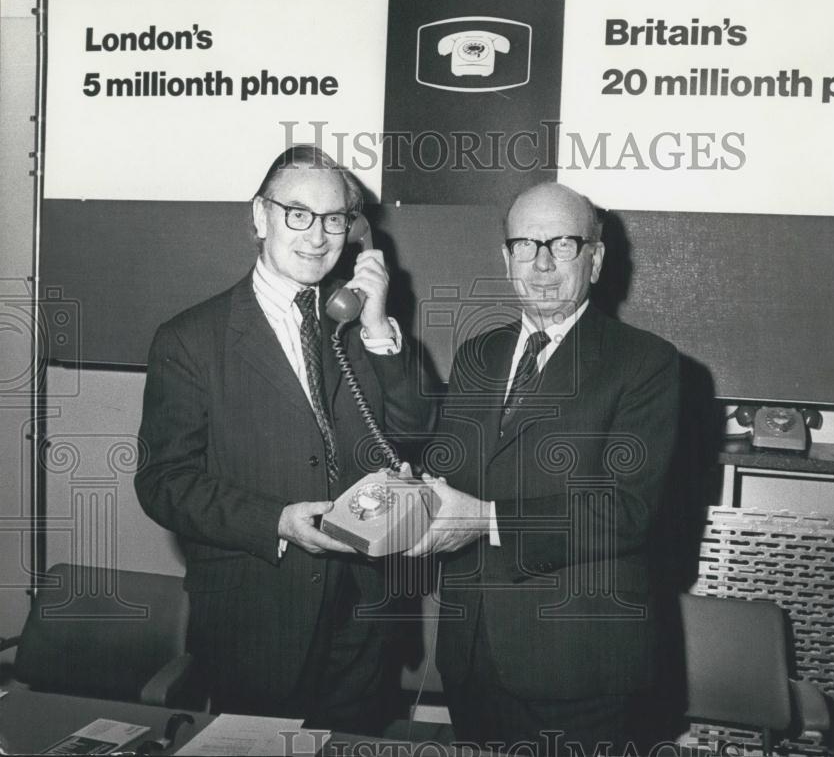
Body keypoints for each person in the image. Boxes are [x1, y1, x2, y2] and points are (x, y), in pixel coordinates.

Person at [135, 145, 433, 731]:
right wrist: (274, 520)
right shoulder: (190, 339)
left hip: (365, 618)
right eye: (298, 214)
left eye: (334, 219)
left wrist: (378, 327)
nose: (318, 236)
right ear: (260, 216)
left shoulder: (359, 326)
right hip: (255, 620)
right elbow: (162, 482)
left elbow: (417, 434)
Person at [407, 182, 682, 755]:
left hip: (578, 666)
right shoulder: (477, 354)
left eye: (562, 244)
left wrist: (484, 519)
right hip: (471, 654)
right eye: (526, 246)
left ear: (595, 260)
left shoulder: (645, 362)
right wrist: (408, 499)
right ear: (506, 259)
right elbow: (448, 469)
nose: (542, 265)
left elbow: (625, 512)